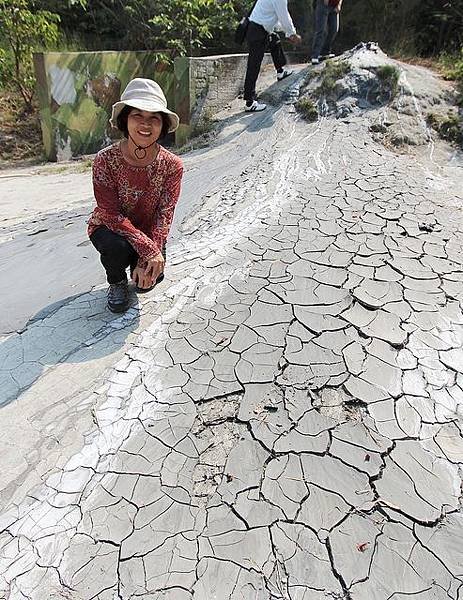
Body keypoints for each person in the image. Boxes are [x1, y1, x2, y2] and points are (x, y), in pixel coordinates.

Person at [87, 78, 183, 313]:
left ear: (162, 125)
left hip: (149, 230)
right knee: (115, 247)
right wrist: (149, 251)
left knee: (150, 280)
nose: (145, 124)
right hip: (111, 229)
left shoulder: (173, 165)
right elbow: (110, 214)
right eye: (137, 115)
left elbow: (164, 215)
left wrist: (149, 254)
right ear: (124, 120)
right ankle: (117, 281)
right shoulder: (104, 160)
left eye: (154, 118)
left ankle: (136, 261)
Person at [243, 0, 302, 112]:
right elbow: (284, 17)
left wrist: (288, 32)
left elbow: (274, 19)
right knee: (253, 66)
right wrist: (292, 34)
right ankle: (249, 102)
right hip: (257, 31)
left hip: (259, 28)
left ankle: (280, 72)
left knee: (275, 40)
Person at [311, 0, 343, 65]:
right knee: (321, 30)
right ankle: (315, 56)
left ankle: (324, 53)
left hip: (334, 5)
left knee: (334, 30)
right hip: (322, 4)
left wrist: (339, 4)